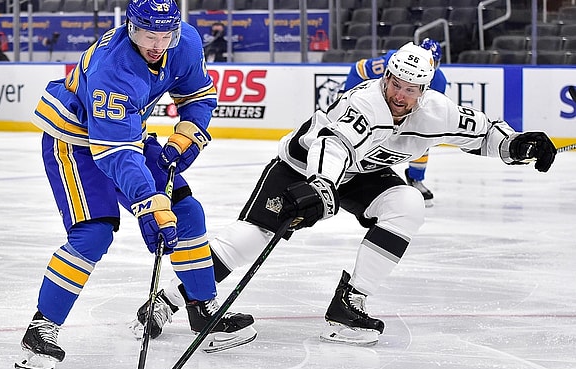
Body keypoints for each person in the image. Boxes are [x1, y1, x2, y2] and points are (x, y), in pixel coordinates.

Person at [134, 42, 556, 346]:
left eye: (410, 88)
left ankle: (349, 304)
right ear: (385, 76)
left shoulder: (437, 112)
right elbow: (331, 144)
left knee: (406, 203)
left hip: (364, 175)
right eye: (395, 82)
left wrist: (516, 145)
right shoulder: (364, 103)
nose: (399, 94)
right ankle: (167, 300)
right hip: (302, 168)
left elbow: (480, 133)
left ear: (423, 91)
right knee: (253, 237)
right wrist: (319, 184)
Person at [15, 0, 257, 369]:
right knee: (94, 234)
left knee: (187, 213)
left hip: (127, 136)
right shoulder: (113, 68)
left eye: (167, 33)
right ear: (131, 28)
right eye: (149, 34)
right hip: (75, 140)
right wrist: (148, 201)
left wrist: (189, 132)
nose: (159, 43)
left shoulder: (186, 43)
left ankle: (201, 309)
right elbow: (115, 154)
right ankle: (42, 327)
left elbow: (198, 95)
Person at [344, 38, 445, 207]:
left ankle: (415, 179)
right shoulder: (392, 61)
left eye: (434, 62)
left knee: (422, 137)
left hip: (404, 111)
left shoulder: (439, 82)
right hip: (377, 105)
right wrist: (346, 97)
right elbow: (358, 70)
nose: (430, 66)